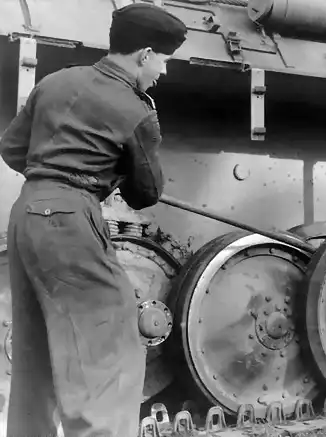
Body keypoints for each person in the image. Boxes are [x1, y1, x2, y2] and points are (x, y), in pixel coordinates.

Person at [0, 4, 187, 436]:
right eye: (163, 59)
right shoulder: (136, 109)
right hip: (72, 216)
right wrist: (98, 175)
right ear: (144, 54)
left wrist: (57, 167)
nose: (162, 71)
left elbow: (12, 148)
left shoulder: (56, 80)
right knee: (112, 343)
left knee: (36, 352)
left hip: (26, 210)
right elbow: (146, 194)